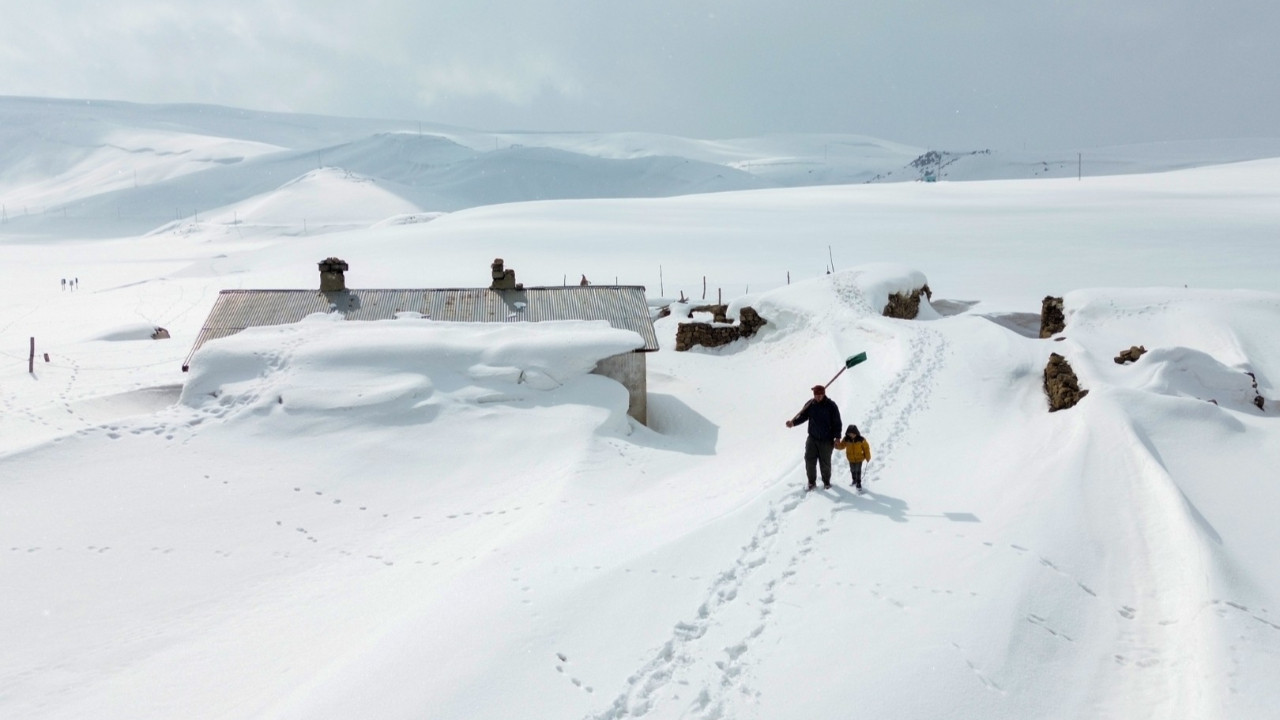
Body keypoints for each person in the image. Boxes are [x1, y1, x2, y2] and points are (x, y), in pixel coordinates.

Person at [786, 385, 842, 490]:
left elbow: (837, 423)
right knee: (809, 460)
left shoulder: (831, 406)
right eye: (816, 395)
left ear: (824, 394)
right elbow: (803, 416)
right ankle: (811, 482)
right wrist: (793, 423)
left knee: (825, 462)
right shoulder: (810, 404)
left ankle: (826, 482)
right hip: (812, 438)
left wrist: (837, 437)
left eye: (820, 395)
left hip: (826, 439)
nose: (818, 397)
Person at [836, 425, 872, 492]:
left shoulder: (861, 440)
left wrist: (868, 456)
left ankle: (858, 483)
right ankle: (854, 480)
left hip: (859, 458)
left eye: (853, 434)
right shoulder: (846, 439)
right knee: (852, 470)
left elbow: (866, 448)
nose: (851, 435)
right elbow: (842, 446)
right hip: (850, 458)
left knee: (858, 470)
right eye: (849, 434)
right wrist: (836, 445)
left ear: (856, 433)